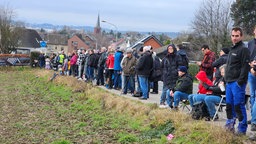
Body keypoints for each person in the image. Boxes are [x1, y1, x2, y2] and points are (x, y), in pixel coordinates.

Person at [224, 27, 250, 135]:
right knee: (229, 106)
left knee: (238, 105)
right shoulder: (232, 49)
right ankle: (230, 125)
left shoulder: (243, 49)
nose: (234, 38)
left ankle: (242, 128)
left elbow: (245, 67)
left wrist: (240, 82)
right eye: (233, 36)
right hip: (229, 82)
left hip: (237, 82)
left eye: (237, 36)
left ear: (241, 36)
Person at [248, 26, 256, 125]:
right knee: (252, 95)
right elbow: (247, 57)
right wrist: (251, 67)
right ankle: (253, 116)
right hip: (251, 72)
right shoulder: (250, 43)